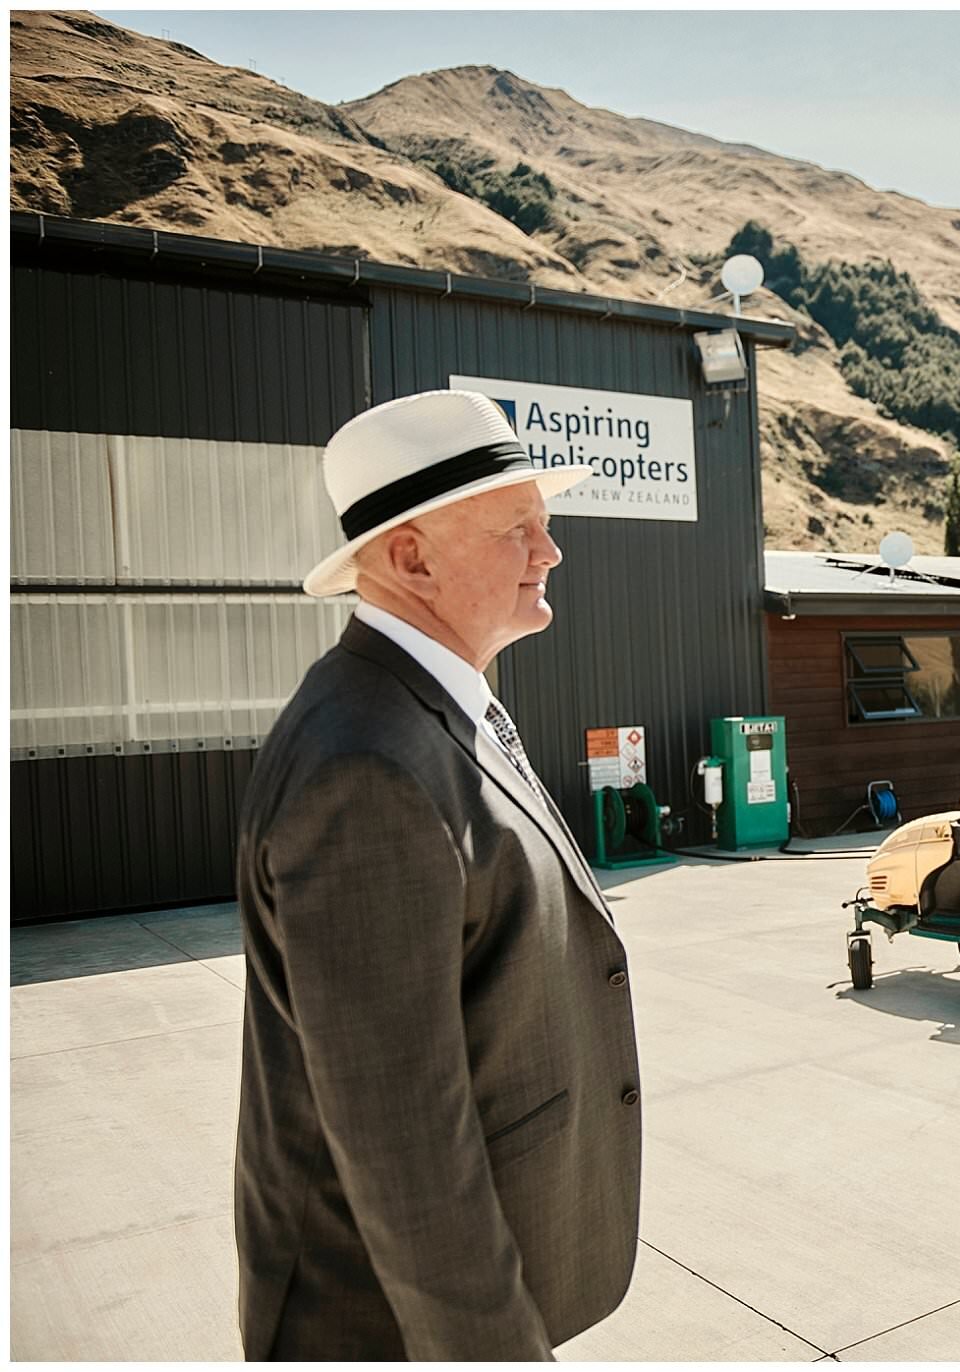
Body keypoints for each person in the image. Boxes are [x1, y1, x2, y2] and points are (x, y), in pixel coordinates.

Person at [234, 391, 641, 1360]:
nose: (550, 552)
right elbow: (404, 1150)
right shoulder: (363, 769)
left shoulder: (431, 708)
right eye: (519, 529)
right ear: (410, 558)